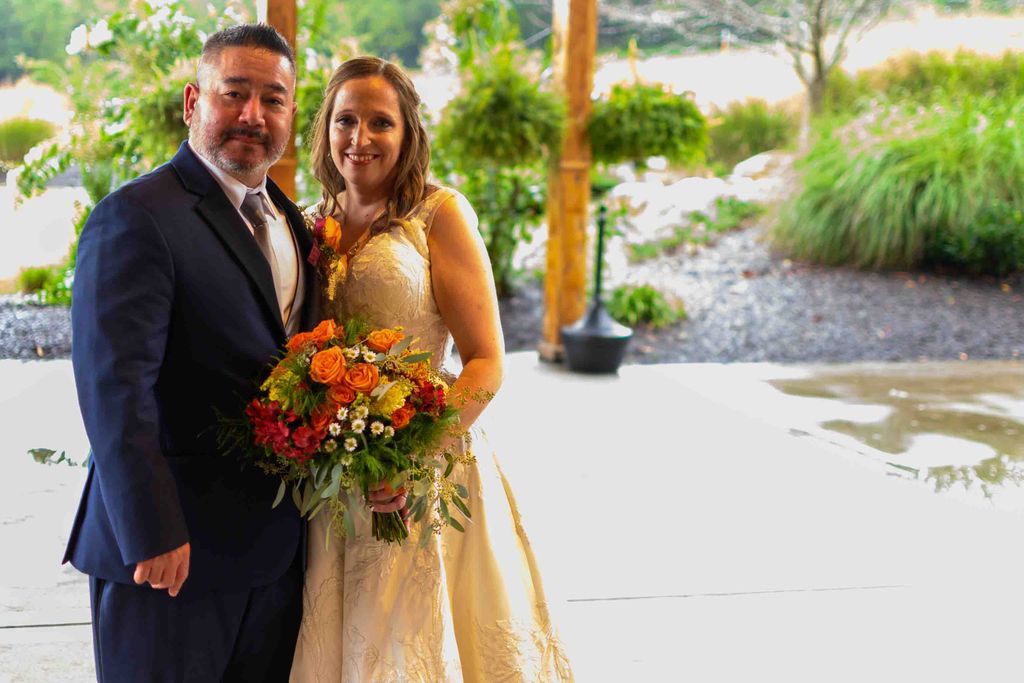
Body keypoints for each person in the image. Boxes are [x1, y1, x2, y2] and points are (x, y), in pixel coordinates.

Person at [289, 56, 574, 682]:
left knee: (415, 640)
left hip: (425, 466)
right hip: (337, 474)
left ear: (408, 132)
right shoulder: (311, 221)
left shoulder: (439, 215)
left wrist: (414, 459)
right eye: (345, 121)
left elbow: (487, 361)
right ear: (325, 130)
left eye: (380, 123)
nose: (360, 139)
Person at [64, 24, 318, 681]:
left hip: (272, 557)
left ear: (293, 111)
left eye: (274, 98)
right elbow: (115, 387)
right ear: (191, 103)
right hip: (170, 559)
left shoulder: (292, 222)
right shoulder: (137, 216)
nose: (252, 115)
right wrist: (151, 528)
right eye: (234, 93)